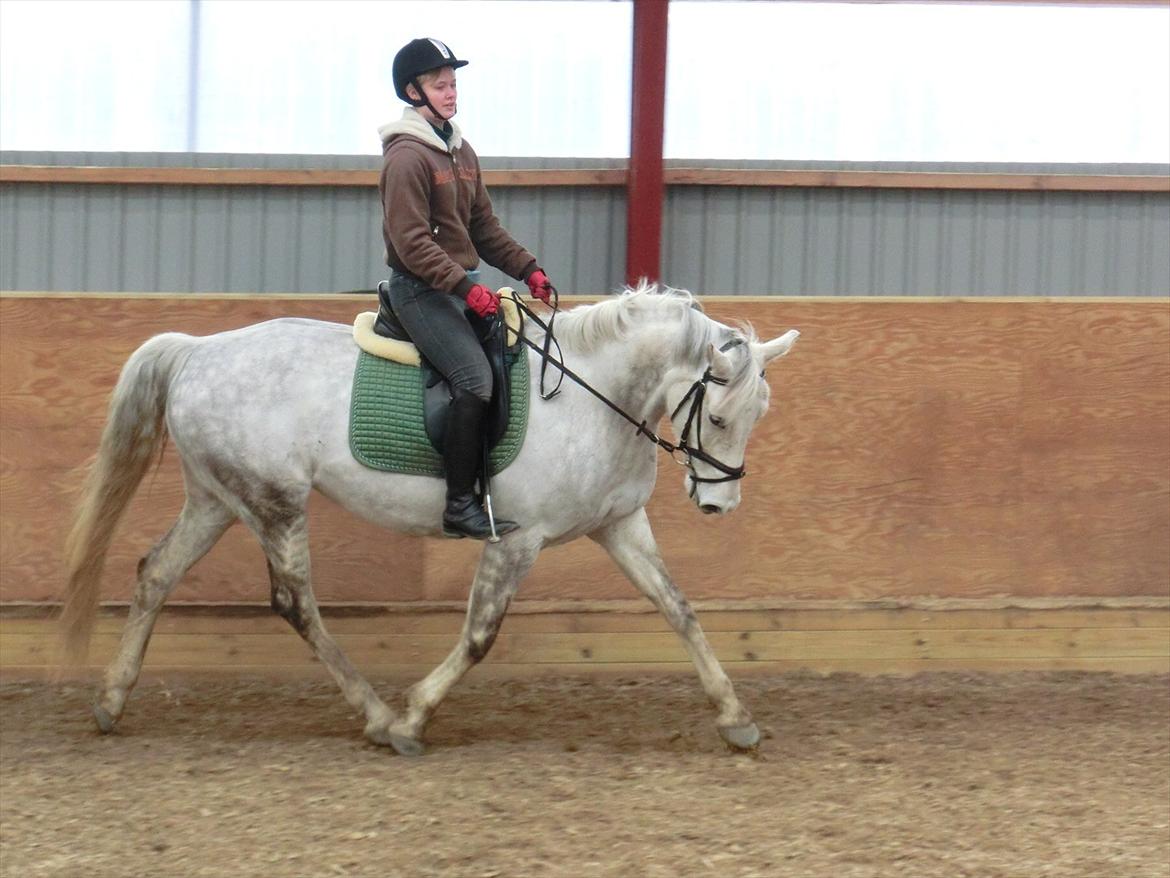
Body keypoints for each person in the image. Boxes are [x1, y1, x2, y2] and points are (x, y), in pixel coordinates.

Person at [376, 37, 554, 540]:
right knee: (474, 379)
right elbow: (411, 244)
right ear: (414, 92)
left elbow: (484, 228)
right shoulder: (407, 158)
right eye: (440, 84)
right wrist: (464, 287)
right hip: (420, 291)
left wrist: (528, 270)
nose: (452, 93)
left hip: (459, 287)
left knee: (520, 355)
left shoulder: (460, 150)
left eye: (453, 83)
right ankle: (458, 503)